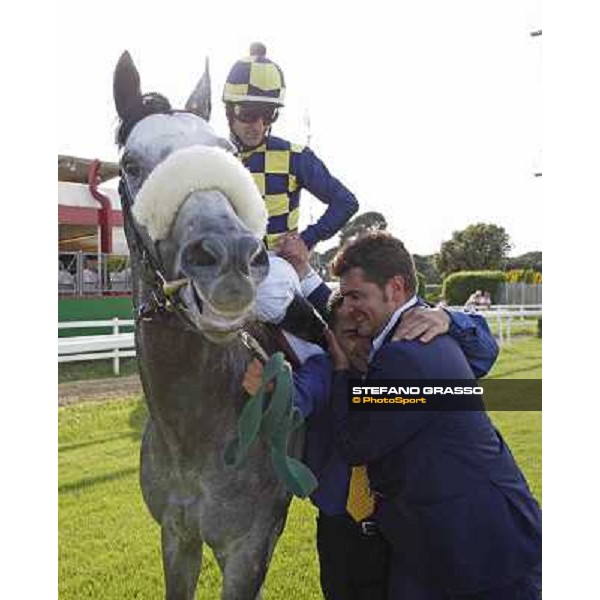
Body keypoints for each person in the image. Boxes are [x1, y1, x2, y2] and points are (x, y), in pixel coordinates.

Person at [244, 243, 502, 600]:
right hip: (341, 533)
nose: (363, 343)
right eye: (350, 336)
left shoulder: (399, 363)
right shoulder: (326, 370)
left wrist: (449, 318)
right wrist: (276, 391)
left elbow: (483, 350)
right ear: (332, 340)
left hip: (398, 532)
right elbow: (301, 397)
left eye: (367, 334)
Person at [325, 232, 542, 599]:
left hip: (479, 549)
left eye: (356, 296)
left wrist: (341, 369)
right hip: (451, 540)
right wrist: (450, 318)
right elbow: (481, 354)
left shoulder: (405, 355)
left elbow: (353, 442)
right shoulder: (422, 332)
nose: (348, 307)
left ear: (395, 288)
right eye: (344, 297)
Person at [222, 42, 359, 256]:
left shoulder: (295, 157)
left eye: (268, 114)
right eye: (248, 113)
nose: (258, 126)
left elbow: (346, 202)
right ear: (229, 111)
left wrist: (306, 239)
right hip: (226, 268)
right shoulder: (213, 158)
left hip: (277, 265)